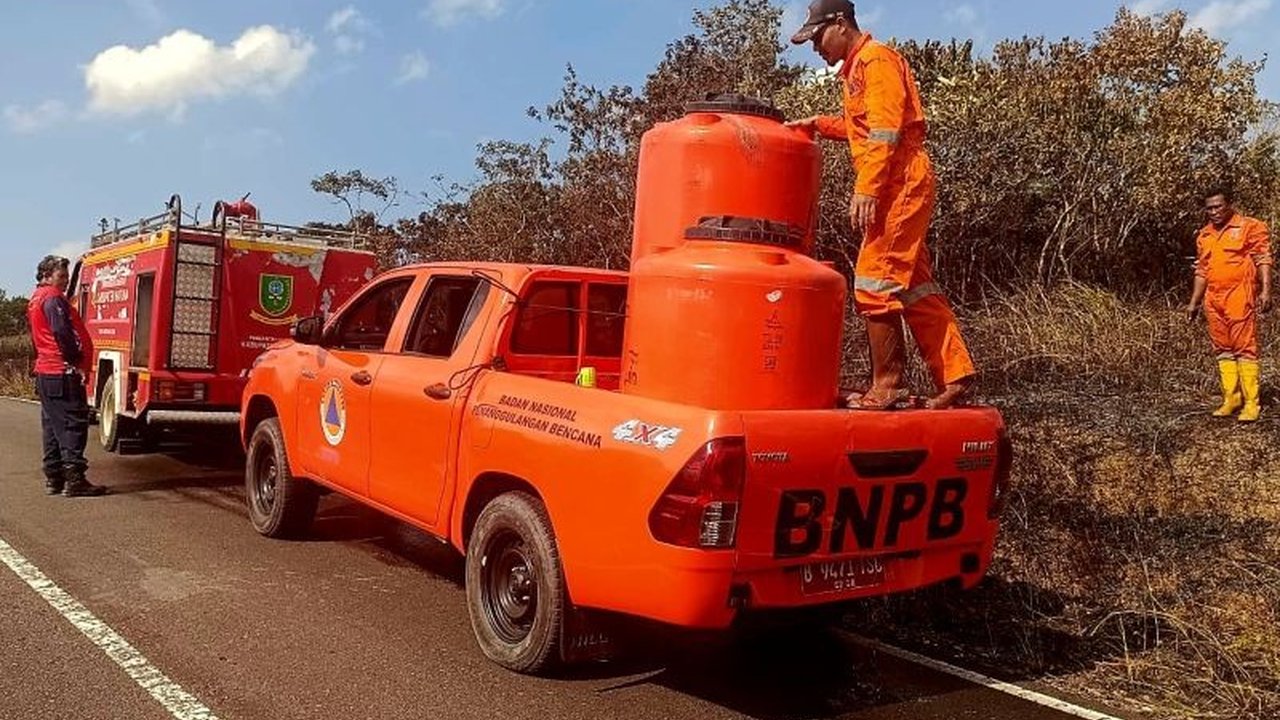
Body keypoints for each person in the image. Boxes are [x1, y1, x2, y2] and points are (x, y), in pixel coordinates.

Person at [785, 0, 975, 410]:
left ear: (840, 24)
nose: (816, 47)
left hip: (899, 182)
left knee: (874, 281)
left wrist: (867, 189)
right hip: (896, 181)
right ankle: (956, 376)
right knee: (912, 287)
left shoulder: (876, 60)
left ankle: (888, 386)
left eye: (817, 37)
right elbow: (862, 129)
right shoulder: (856, 69)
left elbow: (887, 132)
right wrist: (817, 123)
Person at [1185, 189, 1272, 422]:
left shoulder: (1249, 227)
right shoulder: (1204, 235)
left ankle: (1252, 403)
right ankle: (1231, 399)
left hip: (1239, 295)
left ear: (1229, 205)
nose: (1214, 212)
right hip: (1213, 298)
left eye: (1218, 206)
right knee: (1222, 347)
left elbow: (1262, 258)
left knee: (1244, 347)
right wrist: (1194, 303)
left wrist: (1265, 290)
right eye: (1209, 208)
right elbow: (1202, 271)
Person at [26, 255, 107, 496]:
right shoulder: (52, 298)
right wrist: (76, 362)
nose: (65, 281)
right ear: (46, 276)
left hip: (46, 371)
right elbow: (62, 332)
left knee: (52, 426)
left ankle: (54, 478)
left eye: (67, 277)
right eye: (61, 276)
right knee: (73, 424)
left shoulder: (35, 299)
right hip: (62, 371)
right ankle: (75, 480)